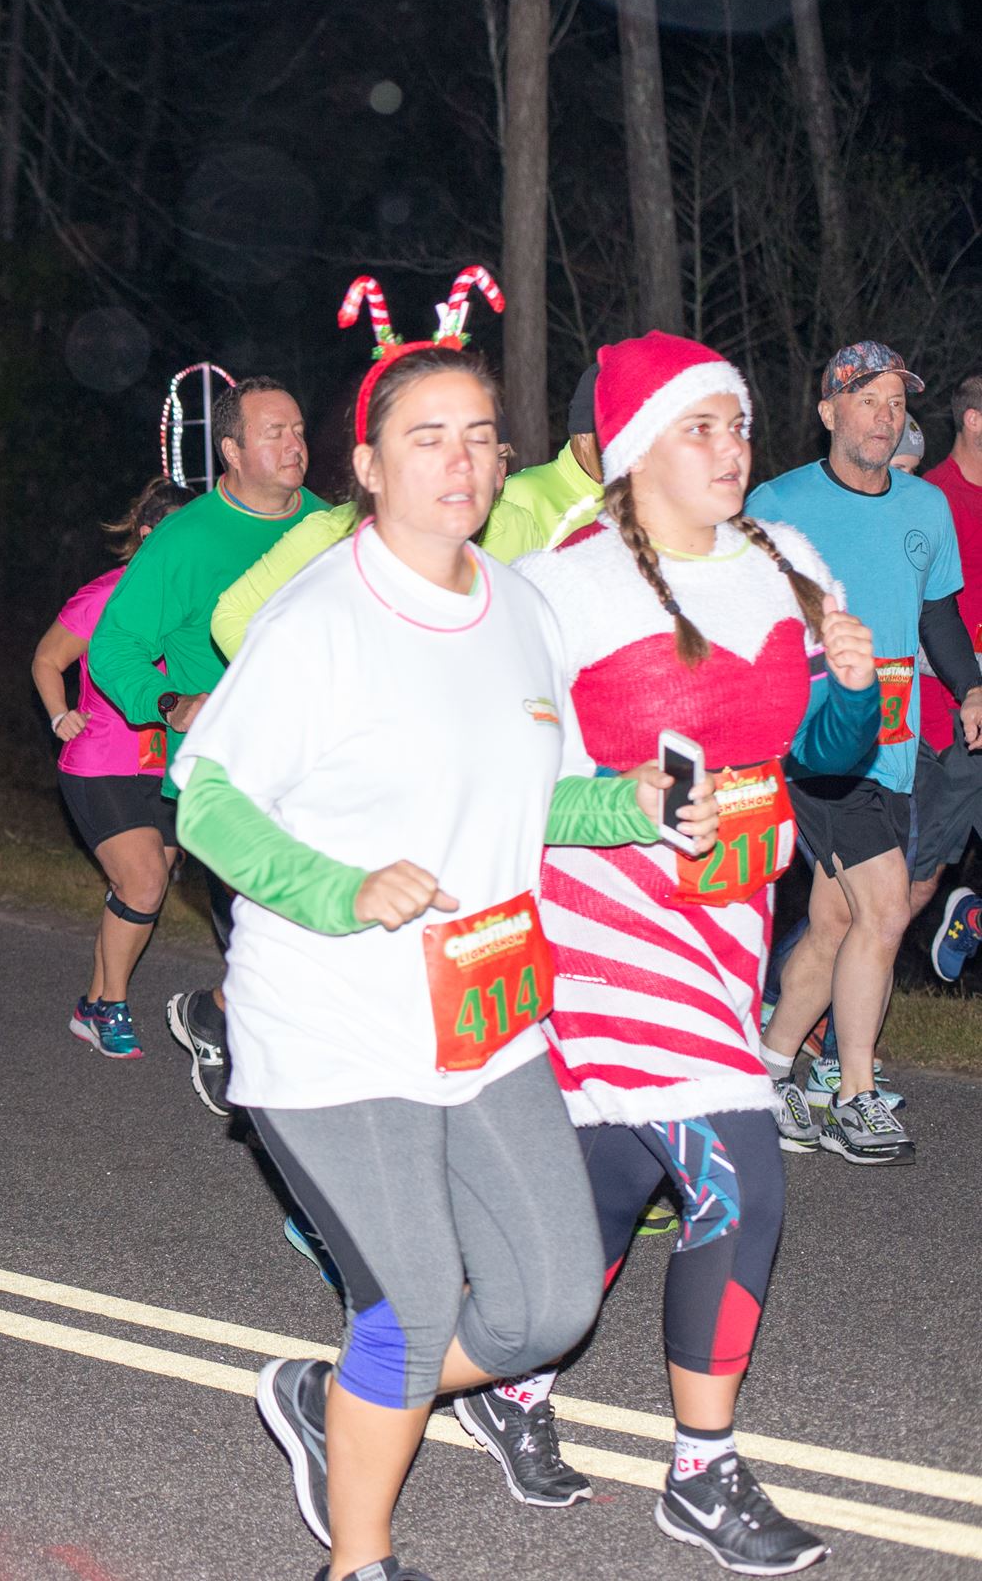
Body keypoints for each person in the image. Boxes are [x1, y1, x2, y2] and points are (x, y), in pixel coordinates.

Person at [182, 324, 630, 1581]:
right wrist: (339, 889)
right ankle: (359, 1558)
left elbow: (540, 794)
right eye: (425, 439)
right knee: (411, 1302)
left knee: (550, 1304)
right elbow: (206, 798)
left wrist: (637, 803)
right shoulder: (320, 616)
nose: (460, 461)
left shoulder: (521, 608)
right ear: (368, 467)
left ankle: (339, 1400)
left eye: (480, 436)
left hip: (484, 1014)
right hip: (334, 1019)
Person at [445, 332, 872, 1575]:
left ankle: (433, 1384)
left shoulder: (783, 561)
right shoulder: (556, 587)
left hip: (727, 920)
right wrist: (620, 802)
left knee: (614, 1176)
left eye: (734, 423)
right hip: (602, 924)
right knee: (740, 1175)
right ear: (634, 451)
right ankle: (701, 1472)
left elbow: (824, 754)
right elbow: (501, 781)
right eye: (698, 427)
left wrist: (848, 685)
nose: (730, 448)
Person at [747, 341, 980, 1164]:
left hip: (896, 745)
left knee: (837, 921)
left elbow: (937, 616)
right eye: (867, 399)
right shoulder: (778, 505)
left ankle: (768, 1065)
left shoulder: (925, 508)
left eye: (896, 402)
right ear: (829, 412)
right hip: (818, 746)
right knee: (884, 908)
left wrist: (972, 687)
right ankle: (855, 1097)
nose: (885, 416)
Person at [87, 378, 322, 1115]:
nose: (295, 444)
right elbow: (113, 645)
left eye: (299, 429)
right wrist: (167, 703)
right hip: (227, 777)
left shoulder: (329, 528)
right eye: (274, 432)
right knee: (274, 932)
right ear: (231, 450)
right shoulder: (186, 540)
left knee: (312, 933)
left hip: (317, 770)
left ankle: (218, 1017)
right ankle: (270, 1085)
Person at [213, 366, 610, 662]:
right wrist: (308, 693)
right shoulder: (332, 532)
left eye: (499, 456)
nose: (491, 474)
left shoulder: (517, 525)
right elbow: (231, 616)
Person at [32, 479, 191, 1058]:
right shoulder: (106, 595)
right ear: (148, 535)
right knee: (144, 882)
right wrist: (59, 715)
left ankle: (93, 1002)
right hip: (99, 762)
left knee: (140, 887)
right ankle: (113, 1008)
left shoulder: (193, 606)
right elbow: (47, 659)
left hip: (164, 767)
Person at [927, 374, 982, 980]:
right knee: (912, 881)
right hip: (949, 711)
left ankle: (970, 915)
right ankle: (793, 992)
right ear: (973, 419)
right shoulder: (932, 500)